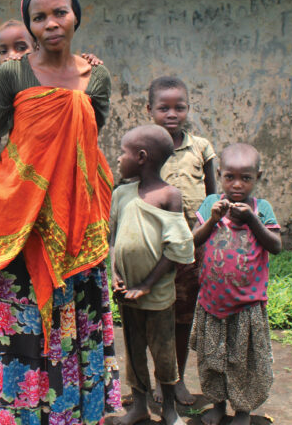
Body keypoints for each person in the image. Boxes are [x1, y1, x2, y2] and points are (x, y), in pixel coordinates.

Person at [0, 0, 122, 424]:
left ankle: (72, 414)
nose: (51, 23)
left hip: (77, 224)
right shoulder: (12, 74)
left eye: (60, 13)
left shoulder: (100, 77)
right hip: (20, 223)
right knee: (20, 330)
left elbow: (84, 148)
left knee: (76, 328)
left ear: (76, 16)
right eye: (39, 17)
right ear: (31, 26)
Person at [190, 143, 282, 425]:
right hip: (211, 303)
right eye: (229, 177)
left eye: (246, 178)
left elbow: (276, 245)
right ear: (219, 174)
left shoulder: (261, 209)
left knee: (242, 363)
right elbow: (193, 241)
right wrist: (213, 220)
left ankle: (242, 411)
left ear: (258, 177)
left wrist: (253, 220)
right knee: (211, 359)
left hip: (246, 306)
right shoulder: (210, 204)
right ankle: (217, 405)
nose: (237, 185)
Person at [109, 125, 194, 425]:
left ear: (142, 157)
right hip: (127, 294)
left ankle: (169, 410)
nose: (118, 159)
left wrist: (147, 284)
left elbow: (177, 250)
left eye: (123, 153)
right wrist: (115, 275)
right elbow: (113, 240)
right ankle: (139, 406)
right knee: (133, 352)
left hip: (156, 296)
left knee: (163, 354)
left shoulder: (169, 196)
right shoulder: (121, 194)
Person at [146, 76, 216, 405]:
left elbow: (214, 198)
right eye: (164, 108)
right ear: (150, 110)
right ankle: (156, 382)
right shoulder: (144, 147)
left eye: (179, 107)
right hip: (154, 245)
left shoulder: (201, 147)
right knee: (154, 314)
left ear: (188, 109)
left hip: (192, 245)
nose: (172, 114)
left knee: (183, 316)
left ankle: (177, 382)